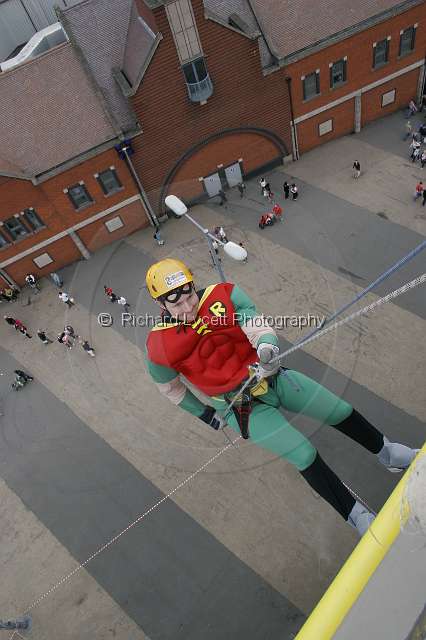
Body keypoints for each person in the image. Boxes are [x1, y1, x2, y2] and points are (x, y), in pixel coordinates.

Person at [145, 259, 419, 536]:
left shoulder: (224, 295)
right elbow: (172, 390)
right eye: (177, 304)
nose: (188, 307)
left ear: (194, 285)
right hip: (239, 407)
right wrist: (206, 415)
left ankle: (389, 453)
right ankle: (357, 516)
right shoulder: (158, 347)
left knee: (338, 409)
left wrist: (266, 346)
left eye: (190, 296)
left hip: (270, 376)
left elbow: (255, 324)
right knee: (304, 453)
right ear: (161, 305)